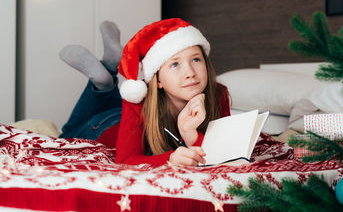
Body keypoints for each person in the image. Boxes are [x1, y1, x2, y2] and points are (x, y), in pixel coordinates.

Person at [59, 18, 231, 167]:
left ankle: (105, 81)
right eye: (175, 64)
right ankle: (105, 80)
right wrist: (169, 158)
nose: (190, 73)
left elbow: (220, 154)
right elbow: (126, 159)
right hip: (105, 127)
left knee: (104, 104)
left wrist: (191, 135)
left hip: (127, 117)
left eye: (196, 59)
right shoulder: (137, 101)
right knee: (65, 135)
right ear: (158, 81)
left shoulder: (218, 94)